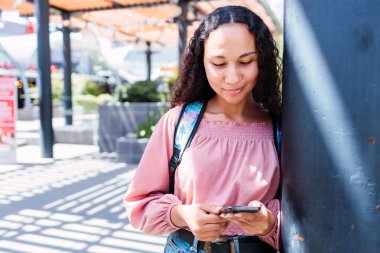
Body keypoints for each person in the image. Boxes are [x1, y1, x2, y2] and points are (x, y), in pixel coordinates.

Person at [124, 5, 282, 253]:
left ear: (262, 60)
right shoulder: (177, 123)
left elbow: (313, 213)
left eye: (246, 61)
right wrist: (182, 215)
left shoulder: (280, 128)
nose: (232, 77)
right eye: (219, 63)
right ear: (202, 63)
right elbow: (139, 204)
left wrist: (270, 223)